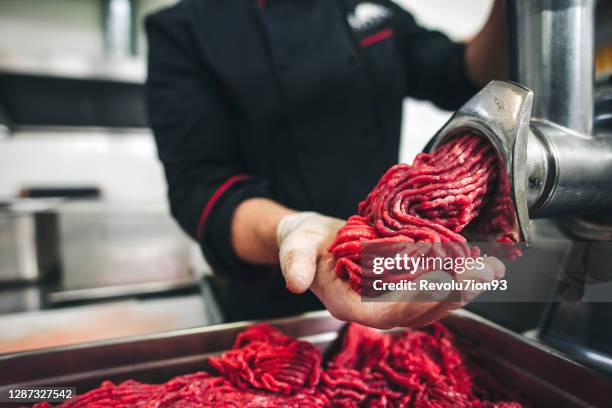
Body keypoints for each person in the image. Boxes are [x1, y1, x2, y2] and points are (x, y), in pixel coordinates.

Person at [146, 0, 507, 326]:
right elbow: (203, 189)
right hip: (273, 302)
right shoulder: (184, 29)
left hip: (390, 269)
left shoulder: (372, 9)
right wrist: (293, 229)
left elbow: (464, 74)